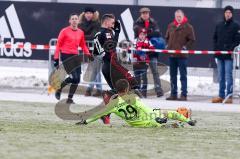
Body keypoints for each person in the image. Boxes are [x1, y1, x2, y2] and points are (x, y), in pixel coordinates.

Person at [77, 79, 196, 128]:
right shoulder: (132, 97)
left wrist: (85, 121)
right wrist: (158, 118)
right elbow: (145, 108)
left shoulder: (112, 105)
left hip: (137, 124)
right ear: (127, 89)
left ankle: (182, 121)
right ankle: (186, 120)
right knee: (166, 114)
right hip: (150, 121)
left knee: (163, 116)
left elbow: (98, 114)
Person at [93, 14, 139, 124]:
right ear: (106, 22)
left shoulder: (97, 34)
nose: (114, 25)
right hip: (111, 65)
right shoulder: (107, 32)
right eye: (112, 23)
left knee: (120, 93)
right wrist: (117, 33)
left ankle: (106, 115)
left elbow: (95, 53)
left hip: (105, 65)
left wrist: (116, 33)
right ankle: (109, 96)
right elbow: (112, 48)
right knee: (132, 83)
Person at [53, 13, 93, 104]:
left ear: (78, 21)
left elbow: (83, 45)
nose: (74, 20)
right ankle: (59, 89)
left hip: (75, 56)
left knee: (77, 79)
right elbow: (58, 45)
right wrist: (56, 59)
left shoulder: (80, 32)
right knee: (74, 77)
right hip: (66, 56)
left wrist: (88, 54)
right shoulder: (64, 31)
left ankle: (69, 98)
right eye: (73, 19)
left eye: (76, 19)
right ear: (70, 21)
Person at [133, 7, 164, 97]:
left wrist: (146, 33)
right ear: (141, 14)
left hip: (152, 52)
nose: (145, 14)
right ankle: (142, 92)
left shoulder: (153, 22)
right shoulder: (137, 23)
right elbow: (137, 32)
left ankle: (158, 90)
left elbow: (158, 33)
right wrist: (149, 32)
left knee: (155, 71)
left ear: (149, 14)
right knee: (142, 73)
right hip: (141, 53)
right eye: (143, 13)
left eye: (146, 13)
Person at [165, 9, 195, 101]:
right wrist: (169, 46)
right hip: (172, 56)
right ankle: (173, 94)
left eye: (180, 16)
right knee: (172, 76)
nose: (178, 18)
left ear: (183, 16)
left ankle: (184, 94)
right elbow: (167, 37)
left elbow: (192, 40)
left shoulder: (188, 27)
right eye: (177, 16)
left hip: (182, 57)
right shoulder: (171, 26)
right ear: (175, 17)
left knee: (183, 76)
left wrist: (185, 47)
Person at [212, 6, 240, 104]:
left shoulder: (236, 25)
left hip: (229, 56)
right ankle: (221, 95)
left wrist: (229, 49)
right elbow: (215, 38)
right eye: (226, 12)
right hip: (220, 55)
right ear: (224, 13)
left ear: (232, 14)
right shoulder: (219, 25)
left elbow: (237, 40)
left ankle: (229, 96)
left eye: (229, 12)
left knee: (228, 76)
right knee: (221, 76)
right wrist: (216, 50)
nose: (227, 14)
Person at [79, 7, 102, 97]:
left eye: (90, 13)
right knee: (94, 70)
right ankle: (97, 90)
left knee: (95, 70)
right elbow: (79, 36)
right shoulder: (80, 24)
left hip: (96, 49)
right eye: (87, 13)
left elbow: (93, 36)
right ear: (84, 14)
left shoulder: (97, 24)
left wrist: (83, 37)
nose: (88, 14)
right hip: (86, 49)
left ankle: (90, 90)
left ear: (93, 14)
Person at [133, 28, 153, 98]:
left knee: (144, 78)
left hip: (144, 63)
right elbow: (134, 49)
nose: (142, 36)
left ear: (146, 35)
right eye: (141, 34)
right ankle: (137, 92)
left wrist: (145, 51)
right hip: (136, 63)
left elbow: (152, 49)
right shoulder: (135, 41)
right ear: (138, 35)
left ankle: (144, 92)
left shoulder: (148, 42)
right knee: (137, 78)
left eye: (144, 35)